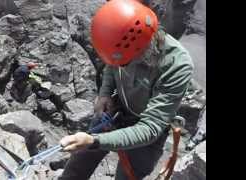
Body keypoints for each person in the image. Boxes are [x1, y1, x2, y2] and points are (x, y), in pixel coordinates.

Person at [58, 0, 194, 179]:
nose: (122, 66)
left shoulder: (177, 65)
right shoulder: (124, 42)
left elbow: (150, 127)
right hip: (116, 111)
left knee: (127, 176)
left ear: (141, 48)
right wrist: (105, 94)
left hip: (147, 127)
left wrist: (94, 141)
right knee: (77, 166)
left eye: (125, 63)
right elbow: (111, 65)